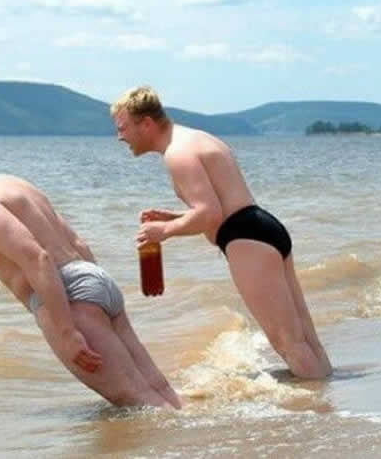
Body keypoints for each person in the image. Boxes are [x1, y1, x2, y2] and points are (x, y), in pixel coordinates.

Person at [0, 154, 182, 408]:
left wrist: (67, 331)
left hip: (68, 299)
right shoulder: (10, 183)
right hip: (94, 279)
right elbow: (77, 242)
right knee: (161, 391)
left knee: (137, 402)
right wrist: (96, 298)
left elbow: (37, 258)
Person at [110, 86, 333, 379]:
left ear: (147, 124)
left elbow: (210, 214)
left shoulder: (177, 153)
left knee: (288, 343)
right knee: (305, 337)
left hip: (245, 239)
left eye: (123, 127)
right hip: (262, 227)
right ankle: (329, 393)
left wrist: (164, 230)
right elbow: (220, 205)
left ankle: (319, 403)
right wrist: (175, 217)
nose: (119, 136)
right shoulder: (195, 138)